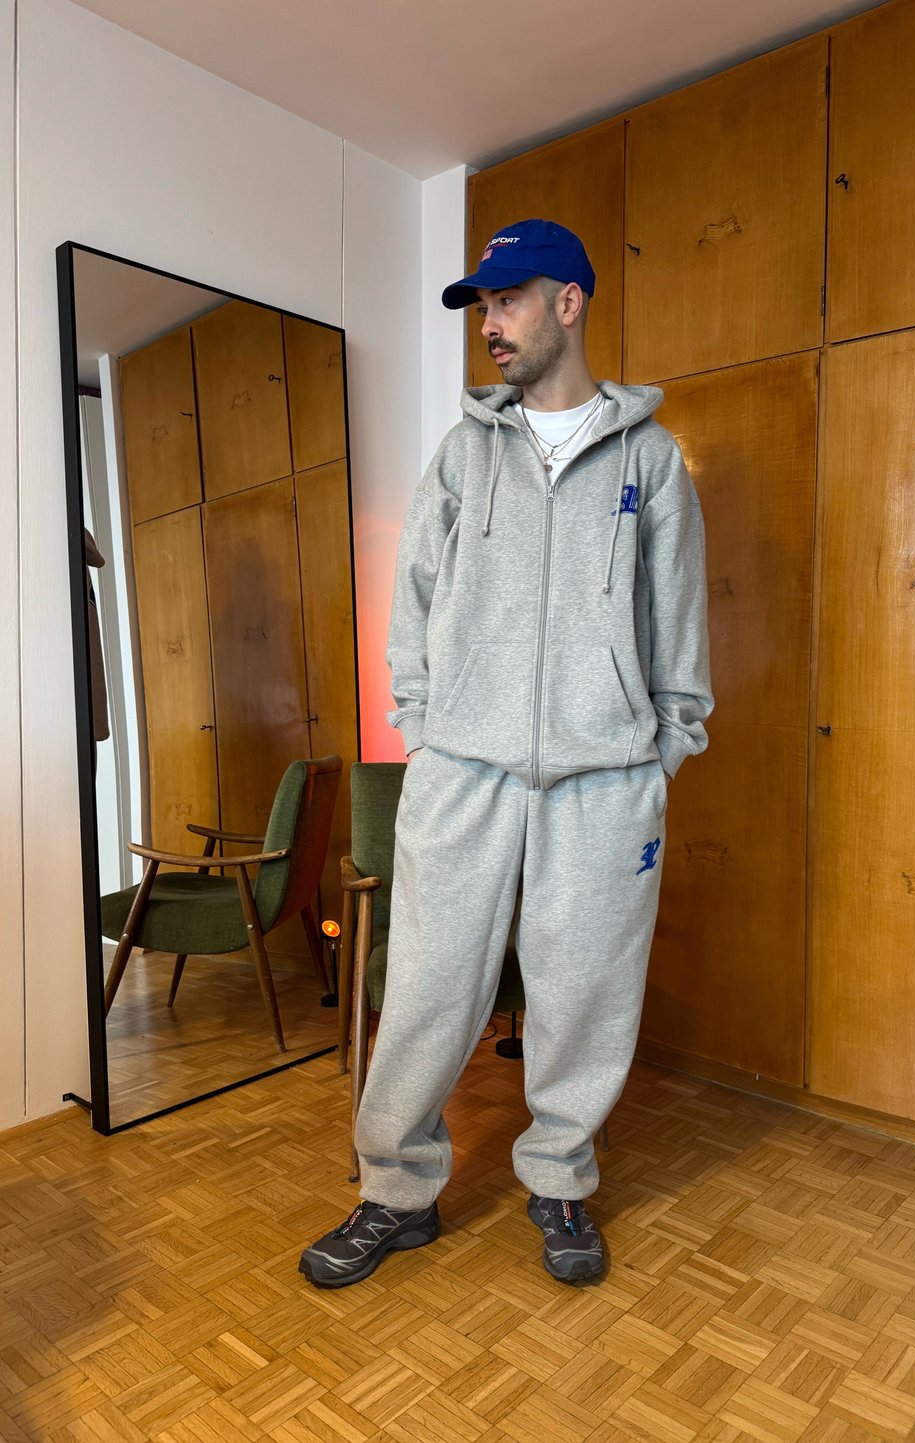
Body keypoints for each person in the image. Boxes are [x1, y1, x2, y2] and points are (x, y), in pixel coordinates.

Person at [300, 218, 713, 1289]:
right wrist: (427, 727)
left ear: (568, 301)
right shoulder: (462, 454)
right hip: (464, 773)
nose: (491, 325)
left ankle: (561, 1179)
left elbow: (676, 619)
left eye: (509, 300)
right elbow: (416, 605)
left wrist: (660, 746)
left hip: (606, 781)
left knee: (585, 992)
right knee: (432, 988)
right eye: (482, 306)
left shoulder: (651, 460)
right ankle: (394, 1191)